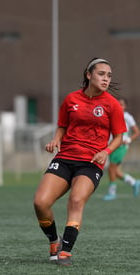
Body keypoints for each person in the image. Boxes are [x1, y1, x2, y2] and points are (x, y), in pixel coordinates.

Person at [33, 57, 126, 266]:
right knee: (40, 202)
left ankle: (65, 251)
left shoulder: (112, 105)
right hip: (65, 157)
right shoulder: (71, 99)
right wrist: (56, 139)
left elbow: (119, 136)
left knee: (76, 200)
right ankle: (54, 240)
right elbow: (62, 126)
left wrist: (106, 150)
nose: (106, 79)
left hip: (91, 162)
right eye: (101, 74)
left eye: (109, 76)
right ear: (88, 75)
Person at [103, 97, 140, 200]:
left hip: (121, 146)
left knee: (111, 168)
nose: (119, 106)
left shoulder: (127, 117)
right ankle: (134, 183)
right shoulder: (111, 116)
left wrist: (128, 139)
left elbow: (137, 132)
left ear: (125, 106)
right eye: (117, 104)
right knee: (116, 171)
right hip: (112, 145)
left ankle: (112, 192)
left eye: (121, 105)